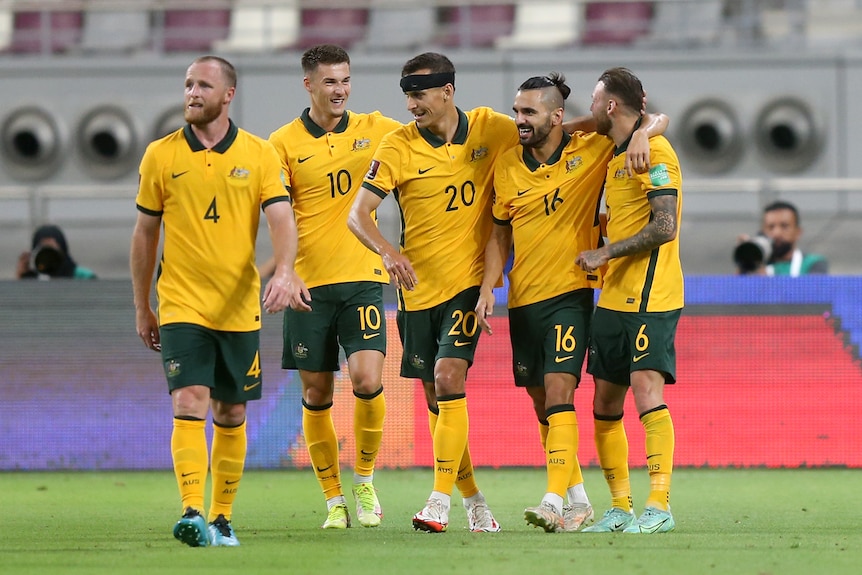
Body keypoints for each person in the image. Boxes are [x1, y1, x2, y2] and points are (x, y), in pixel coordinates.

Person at [475, 73, 668, 533]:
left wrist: (646, 129)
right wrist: (489, 284)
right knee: (544, 405)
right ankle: (580, 501)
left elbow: (643, 118)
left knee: (561, 392)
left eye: (529, 112)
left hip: (572, 293)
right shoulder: (505, 165)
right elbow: (500, 231)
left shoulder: (593, 150)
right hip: (523, 298)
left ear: (557, 116)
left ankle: (552, 499)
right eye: (516, 111)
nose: (518, 120)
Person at [131, 55, 299, 548]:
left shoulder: (259, 154)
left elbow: (283, 220)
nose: (191, 93)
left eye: (203, 85)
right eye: (187, 84)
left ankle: (222, 518)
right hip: (181, 303)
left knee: (230, 414)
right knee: (189, 400)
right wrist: (143, 305)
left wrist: (285, 272)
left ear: (228, 94)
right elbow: (144, 235)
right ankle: (191, 510)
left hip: (238, 306)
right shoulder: (159, 156)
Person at [266, 44, 400, 530]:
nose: (340, 89)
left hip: (364, 277)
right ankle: (333, 500)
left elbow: (437, 131)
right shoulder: (280, 143)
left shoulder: (378, 130)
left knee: (367, 380)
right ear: (308, 85)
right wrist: (286, 271)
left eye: (345, 80)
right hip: (309, 286)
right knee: (317, 393)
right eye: (329, 81)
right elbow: (276, 214)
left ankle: (363, 481)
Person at [575, 67, 683, 534]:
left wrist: (606, 251)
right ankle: (620, 509)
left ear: (611, 105)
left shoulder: (654, 152)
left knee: (645, 390)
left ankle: (659, 507)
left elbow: (665, 226)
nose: (591, 108)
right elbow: (576, 126)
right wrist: (647, 123)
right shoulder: (617, 147)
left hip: (651, 293)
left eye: (595, 101)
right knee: (604, 402)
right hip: (614, 296)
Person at [761, 200, 828, 276]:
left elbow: (815, 286)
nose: (777, 233)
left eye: (784, 226)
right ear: (763, 232)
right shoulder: (757, 265)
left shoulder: (812, 263)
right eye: (771, 227)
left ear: (798, 232)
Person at [16, 224, 97, 279]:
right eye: (44, 251)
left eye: (51, 251)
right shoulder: (32, 279)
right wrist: (22, 276)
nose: (48, 258)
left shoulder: (82, 276)